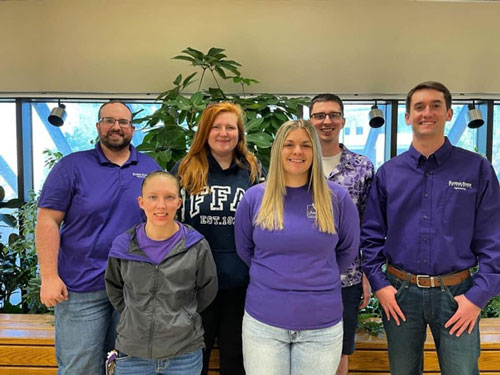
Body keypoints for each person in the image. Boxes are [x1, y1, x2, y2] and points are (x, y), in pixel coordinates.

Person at [361, 81, 500, 375]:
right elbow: (370, 236)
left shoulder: (476, 168)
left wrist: (478, 297)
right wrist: (380, 286)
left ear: (449, 113)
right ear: (408, 116)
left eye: (436, 105)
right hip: (399, 295)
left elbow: (493, 238)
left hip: (457, 295)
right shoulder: (389, 173)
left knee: (462, 372)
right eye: (419, 107)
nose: (428, 113)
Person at [35, 100, 162, 375]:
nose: (116, 127)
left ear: (132, 128)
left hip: (133, 290)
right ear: (98, 126)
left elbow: (161, 224)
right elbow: (48, 220)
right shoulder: (71, 167)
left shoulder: (151, 168)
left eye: (123, 122)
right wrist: (48, 277)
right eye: (109, 120)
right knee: (78, 368)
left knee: (130, 368)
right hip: (80, 288)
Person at [234, 119, 360, 375]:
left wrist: (315, 278)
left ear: (315, 150)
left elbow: (348, 250)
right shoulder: (255, 198)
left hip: (321, 325)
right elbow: (245, 249)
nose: (297, 152)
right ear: (278, 150)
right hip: (264, 323)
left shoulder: (337, 197)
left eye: (305, 145)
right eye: (289, 145)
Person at [171, 102, 263, 375]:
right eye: (216, 127)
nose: (224, 133)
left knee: (236, 361)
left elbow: (267, 223)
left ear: (240, 133)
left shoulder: (253, 169)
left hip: (242, 283)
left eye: (230, 127)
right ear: (205, 131)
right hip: (193, 284)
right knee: (192, 361)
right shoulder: (185, 168)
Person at [105, 171, 218, 375]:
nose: (161, 205)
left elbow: (207, 289)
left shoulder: (196, 245)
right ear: (141, 202)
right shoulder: (123, 246)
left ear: (179, 202)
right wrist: (135, 315)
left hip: (184, 353)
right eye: (153, 197)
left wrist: (184, 316)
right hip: (132, 353)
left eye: (169, 197)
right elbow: (114, 288)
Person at [310, 94, 374, 375]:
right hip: (298, 275)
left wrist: (368, 274)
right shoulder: (295, 164)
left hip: (345, 277)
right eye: (319, 115)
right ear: (310, 121)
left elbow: (370, 226)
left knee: (340, 350)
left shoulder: (362, 167)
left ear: (343, 121)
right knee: (300, 347)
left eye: (333, 115)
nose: (327, 121)